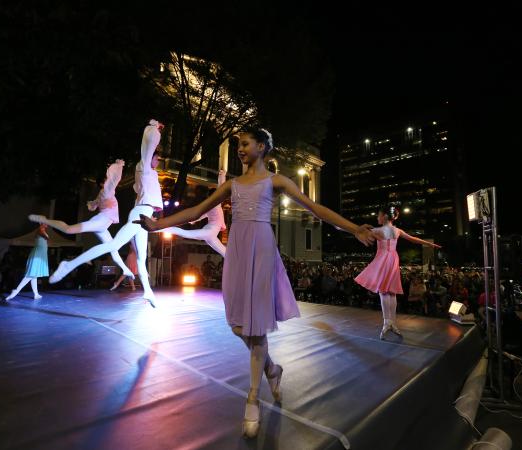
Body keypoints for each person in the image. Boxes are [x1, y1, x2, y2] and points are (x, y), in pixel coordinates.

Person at [133, 127, 375, 438]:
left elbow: (316, 209)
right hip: (237, 249)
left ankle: (252, 398)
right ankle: (272, 368)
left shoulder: (277, 181)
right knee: (238, 326)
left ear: (261, 147)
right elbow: (196, 210)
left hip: (261, 249)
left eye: (245, 144)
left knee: (256, 327)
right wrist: (158, 224)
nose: (240, 149)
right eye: (238, 144)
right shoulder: (231, 185)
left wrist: (354, 228)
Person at [49, 119, 165, 307]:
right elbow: (148, 145)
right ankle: (69, 265)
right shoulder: (144, 168)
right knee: (115, 245)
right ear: (150, 158)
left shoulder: (150, 174)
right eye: (157, 158)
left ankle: (148, 292)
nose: (158, 161)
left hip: (144, 215)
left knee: (142, 257)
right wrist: (155, 129)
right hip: (140, 215)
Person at [29, 159, 131, 277]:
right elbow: (114, 180)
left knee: (113, 248)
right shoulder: (107, 190)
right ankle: (44, 220)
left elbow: (94, 205)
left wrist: (95, 204)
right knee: (68, 229)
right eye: (106, 180)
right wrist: (119, 165)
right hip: (101, 222)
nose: (108, 181)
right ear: (103, 183)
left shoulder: (102, 193)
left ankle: (125, 269)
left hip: (102, 225)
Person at [354, 206, 441, 339]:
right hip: (393, 259)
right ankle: (392, 322)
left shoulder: (377, 230)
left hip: (383, 258)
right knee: (391, 292)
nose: (377, 217)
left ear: (385, 216)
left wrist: (358, 226)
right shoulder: (397, 230)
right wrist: (429, 244)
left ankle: (387, 322)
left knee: (383, 290)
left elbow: (355, 231)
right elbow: (413, 239)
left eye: (379, 215)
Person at [155, 169, 227, 257]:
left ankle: (156, 227)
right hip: (210, 232)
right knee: (184, 233)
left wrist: (222, 175)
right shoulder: (214, 204)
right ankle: (156, 227)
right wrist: (222, 175)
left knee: (226, 254)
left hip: (211, 234)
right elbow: (221, 189)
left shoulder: (213, 204)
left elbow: (203, 214)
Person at [5, 224, 50, 300]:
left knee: (34, 275)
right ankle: (16, 291)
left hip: (40, 254)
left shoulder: (43, 230)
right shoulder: (40, 230)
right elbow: (46, 237)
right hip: (37, 255)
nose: (47, 224)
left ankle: (36, 294)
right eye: (45, 222)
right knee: (30, 275)